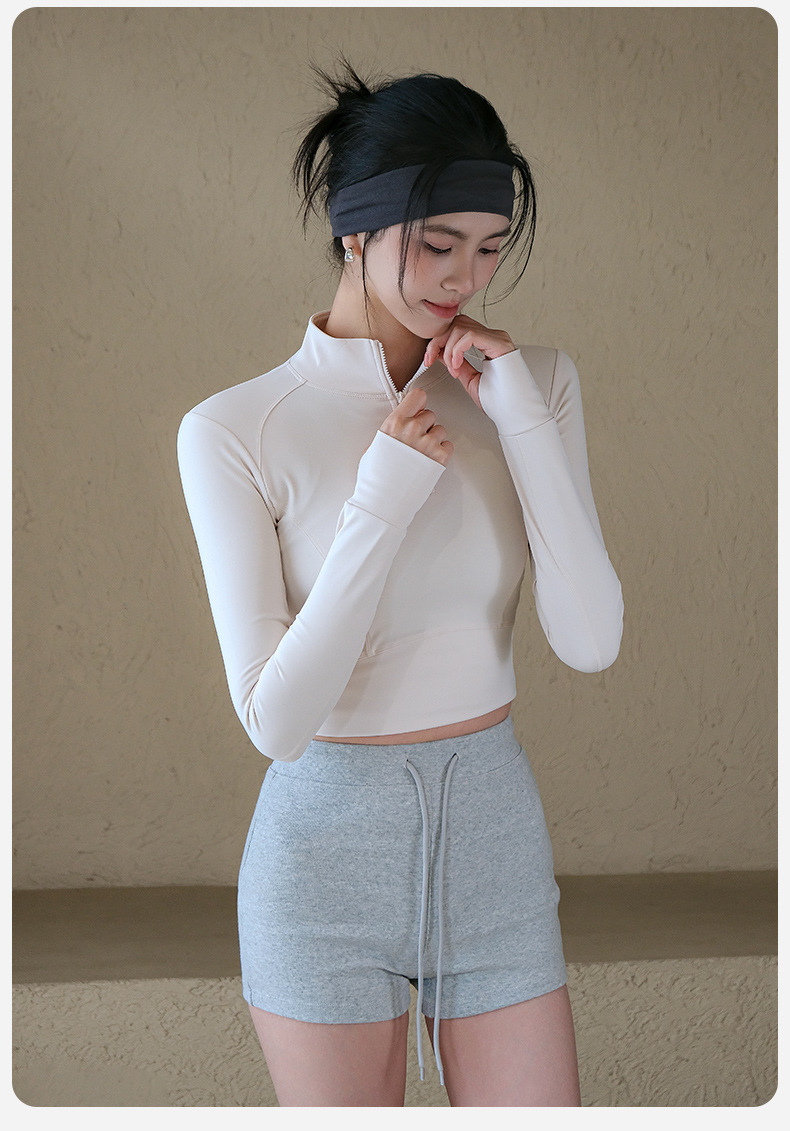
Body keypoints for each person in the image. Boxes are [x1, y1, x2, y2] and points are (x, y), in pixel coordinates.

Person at [177, 63, 623, 1107]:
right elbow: (276, 720)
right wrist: (381, 498)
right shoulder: (233, 430)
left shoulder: (533, 386)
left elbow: (591, 639)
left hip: (494, 842)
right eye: (435, 243)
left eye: (489, 247)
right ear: (355, 230)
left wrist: (521, 418)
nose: (464, 277)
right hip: (322, 864)